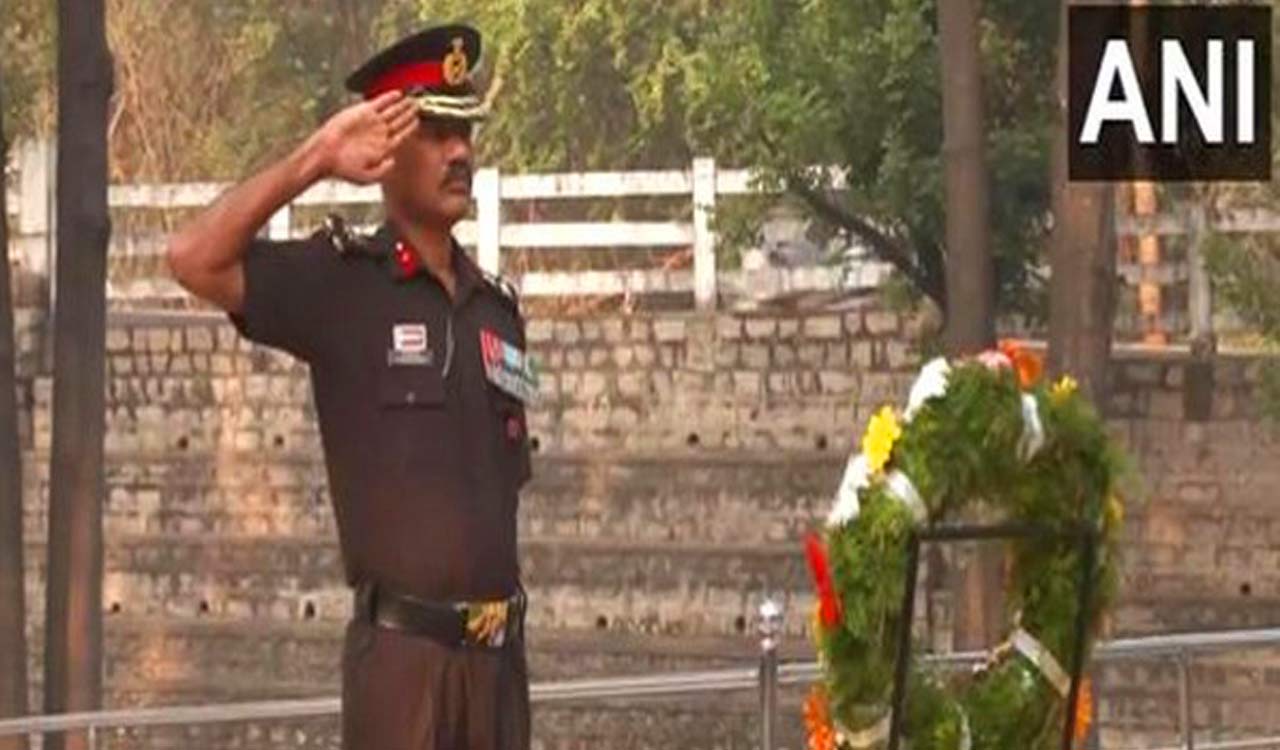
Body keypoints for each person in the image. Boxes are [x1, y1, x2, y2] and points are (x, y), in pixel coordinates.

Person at [166, 24, 537, 750]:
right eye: (433, 133)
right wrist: (315, 160)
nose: (459, 153)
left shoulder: (499, 313)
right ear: (384, 148)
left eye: (464, 133)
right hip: (403, 672)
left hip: (499, 668)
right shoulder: (342, 283)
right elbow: (191, 259)